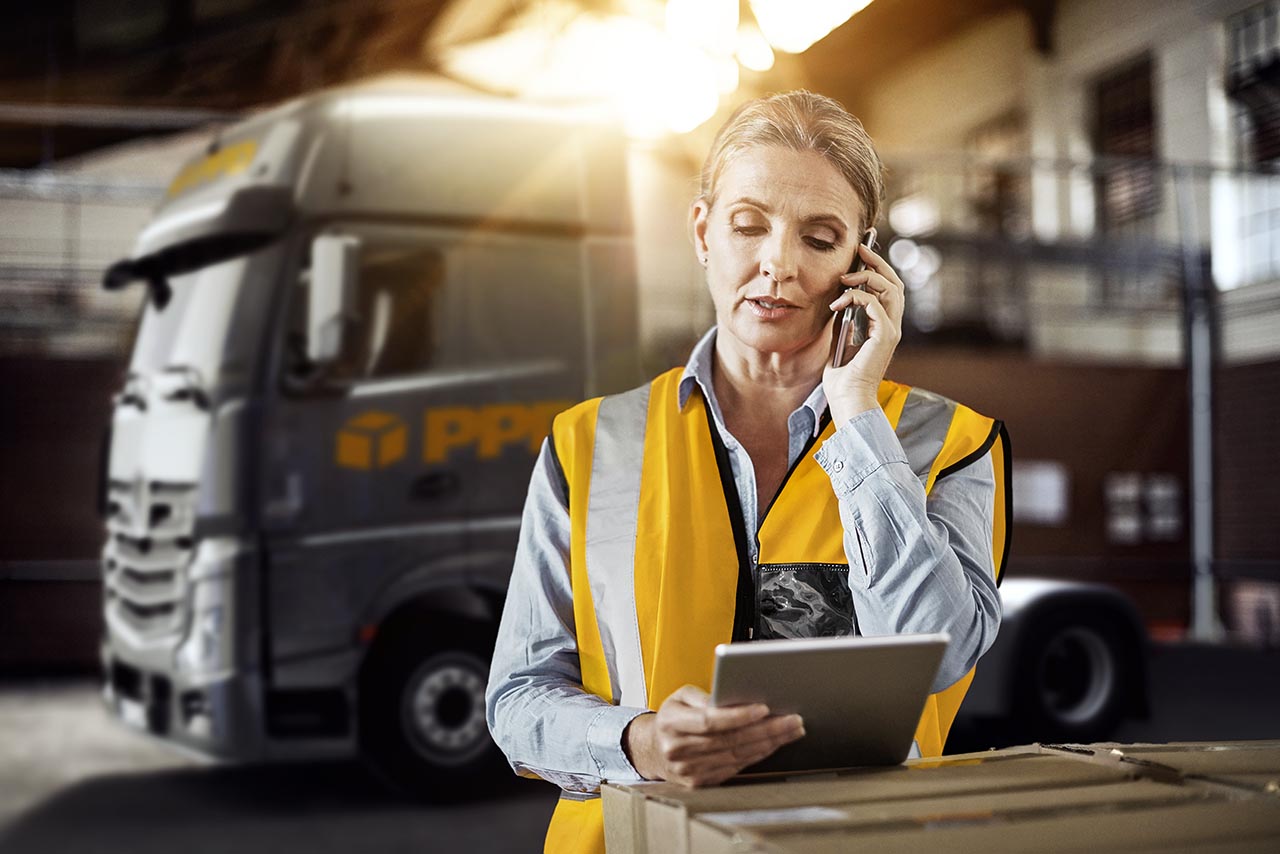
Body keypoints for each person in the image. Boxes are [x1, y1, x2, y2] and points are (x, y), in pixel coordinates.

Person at [486, 90, 1011, 854]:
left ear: (862, 261)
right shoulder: (589, 443)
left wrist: (858, 413)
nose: (778, 263)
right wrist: (636, 741)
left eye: (820, 237)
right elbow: (517, 699)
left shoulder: (949, 442)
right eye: (747, 225)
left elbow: (937, 649)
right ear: (703, 232)